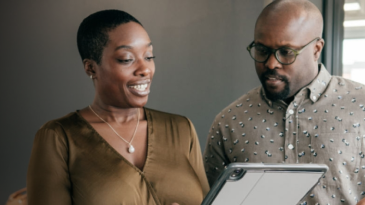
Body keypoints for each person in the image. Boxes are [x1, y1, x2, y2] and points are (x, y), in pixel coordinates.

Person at [27, 10, 209, 205]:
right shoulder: (58, 137)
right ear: (91, 68)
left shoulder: (182, 129)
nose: (144, 69)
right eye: (126, 59)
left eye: (149, 56)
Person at [203, 0, 365, 205]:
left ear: (316, 49)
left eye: (286, 52)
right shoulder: (228, 122)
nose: (271, 63)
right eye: (262, 50)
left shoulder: (361, 108)